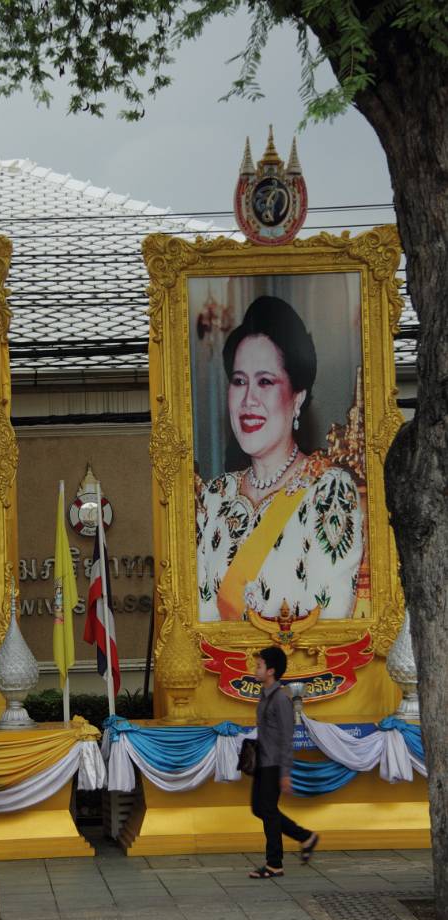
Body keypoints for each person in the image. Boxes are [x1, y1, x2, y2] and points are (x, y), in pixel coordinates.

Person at [196, 295, 364, 622]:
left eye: (265, 381)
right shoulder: (214, 497)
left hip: (302, 672)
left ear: (297, 397)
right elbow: (199, 619)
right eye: (239, 381)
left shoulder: (327, 491)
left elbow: (332, 616)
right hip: (218, 671)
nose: (248, 400)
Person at [249, 646, 318, 878]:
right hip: (262, 761)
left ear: (271, 671)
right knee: (259, 808)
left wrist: (285, 773)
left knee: (267, 811)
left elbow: (287, 738)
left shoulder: (280, 699)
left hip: (273, 764)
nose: (255, 669)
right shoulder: (265, 695)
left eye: (259, 666)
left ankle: (274, 863)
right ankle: (305, 836)